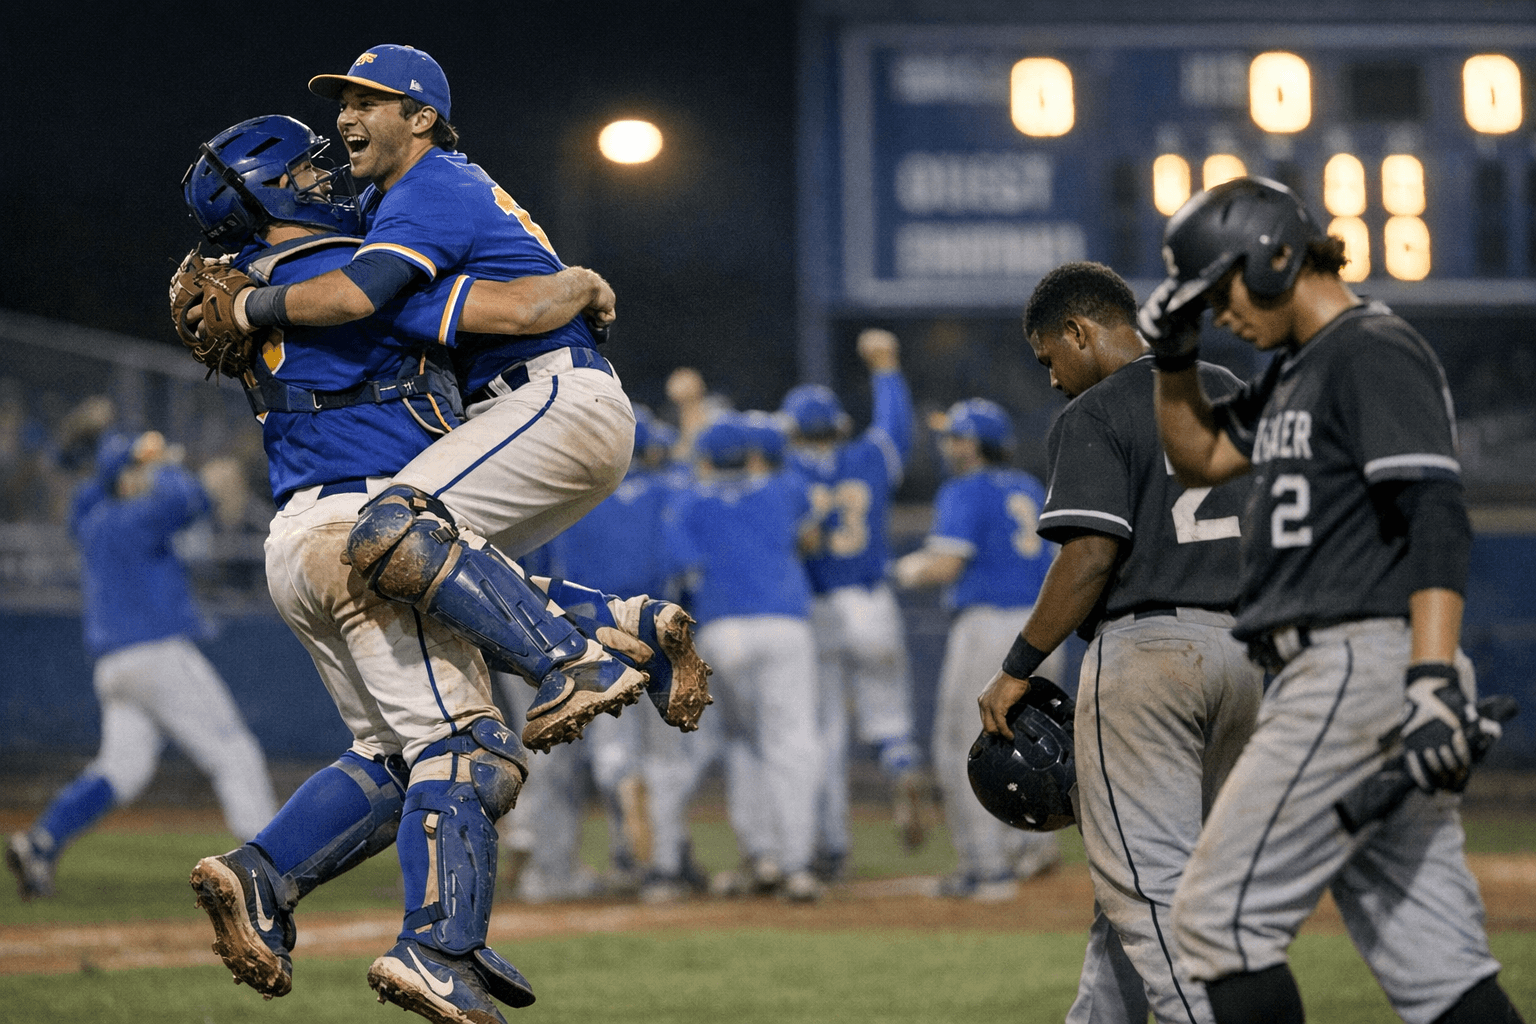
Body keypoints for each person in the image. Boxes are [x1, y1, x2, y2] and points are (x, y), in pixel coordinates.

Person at [176, 114, 664, 1024]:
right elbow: (519, 312)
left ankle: (263, 875)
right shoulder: (355, 270)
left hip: (298, 542)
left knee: (394, 756)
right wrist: (581, 281)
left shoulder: (267, 276)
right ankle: (435, 948)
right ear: (276, 186)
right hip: (371, 535)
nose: (327, 170)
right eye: (307, 166)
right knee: (470, 750)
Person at [195, 45, 706, 751]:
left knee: (388, 529)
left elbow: (361, 295)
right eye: (343, 103)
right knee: (432, 578)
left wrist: (253, 304)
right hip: (540, 403)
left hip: (548, 397)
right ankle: (625, 622)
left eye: (367, 101)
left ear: (422, 117)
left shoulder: (425, 188)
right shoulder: (393, 200)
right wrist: (581, 282)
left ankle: (574, 667)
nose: (346, 117)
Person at [1143, 177, 1523, 1024]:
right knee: (1441, 969)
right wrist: (1172, 360)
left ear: (1276, 255)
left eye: (1221, 290)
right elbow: (1199, 455)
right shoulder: (1296, 371)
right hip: (1345, 670)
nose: (1221, 317)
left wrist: (1431, 678)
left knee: (1218, 924)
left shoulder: (1369, 349)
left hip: (1356, 666)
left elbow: (1436, 517)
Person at [977, 261, 1261, 1023]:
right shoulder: (1231, 389)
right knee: (1159, 874)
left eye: (1049, 358)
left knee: (1149, 891)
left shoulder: (1095, 412)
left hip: (1153, 657)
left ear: (1079, 331)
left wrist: (1017, 667)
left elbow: (1092, 554)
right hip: (1256, 655)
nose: (1051, 378)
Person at [6, 429, 277, 900]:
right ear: (125, 476)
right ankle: (271, 863)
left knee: (120, 771)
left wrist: (122, 462)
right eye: (137, 470)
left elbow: (89, 495)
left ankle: (40, 841)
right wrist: (162, 460)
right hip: (157, 655)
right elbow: (190, 497)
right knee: (234, 751)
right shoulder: (134, 515)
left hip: (114, 668)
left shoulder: (91, 518)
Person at [892, 399, 1061, 900]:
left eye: (956, 437)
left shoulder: (965, 489)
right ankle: (1034, 848)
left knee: (961, 742)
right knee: (1036, 745)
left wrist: (904, 570)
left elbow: (945, 566)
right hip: (1043, 626)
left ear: (975, 443)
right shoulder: (1030, 486)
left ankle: (987, 867)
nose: (949, 446)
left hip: (991, 628)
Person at [656, 413, 825, 902]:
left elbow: (681, 571)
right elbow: (810, 539)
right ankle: (797, 866)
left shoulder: (687, 499)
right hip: (786, 626)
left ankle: (763, 856)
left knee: (743, 745)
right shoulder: (785, 487)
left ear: (705, 458)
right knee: (792, 745)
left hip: (724, 631)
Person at [782, 328, 925, 879]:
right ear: (839, 426)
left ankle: (832, 847)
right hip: (872, 602)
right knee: (888, 716)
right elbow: (896, 429)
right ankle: (902, 763)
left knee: (822, 734)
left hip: (816, 609)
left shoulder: (787, 472)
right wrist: (886, 367)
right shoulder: (867, 457)